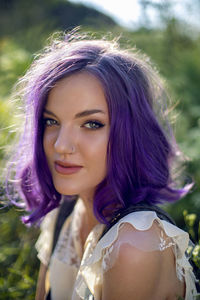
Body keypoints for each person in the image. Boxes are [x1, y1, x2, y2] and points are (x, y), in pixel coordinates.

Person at [7, 31, 198, 300]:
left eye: (92, 124)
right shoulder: (64, 213)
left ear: (130, 135)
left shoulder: (134, 245)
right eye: (52, 121)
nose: (61, 145)